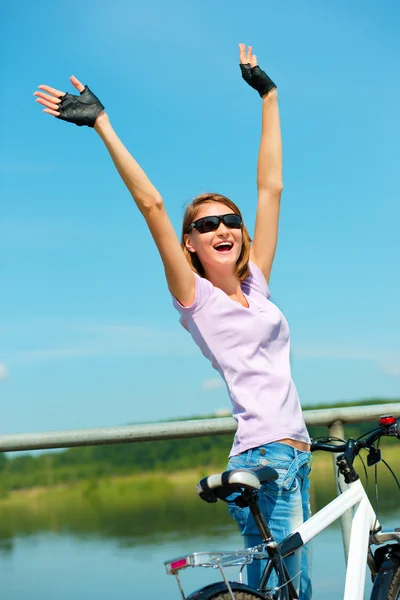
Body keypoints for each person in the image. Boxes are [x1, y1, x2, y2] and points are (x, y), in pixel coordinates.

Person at [34, 43, 312, 598]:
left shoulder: (257, 284)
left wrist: (270, 96)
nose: (222, 229)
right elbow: (153, 207)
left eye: (229, 220)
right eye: (206, 225)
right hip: (264, 457)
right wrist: (102, 126)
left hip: (298, 453)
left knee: (288, 589)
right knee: (287, 594)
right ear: (190, 243)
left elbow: (271, 187)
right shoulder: (196, 298)